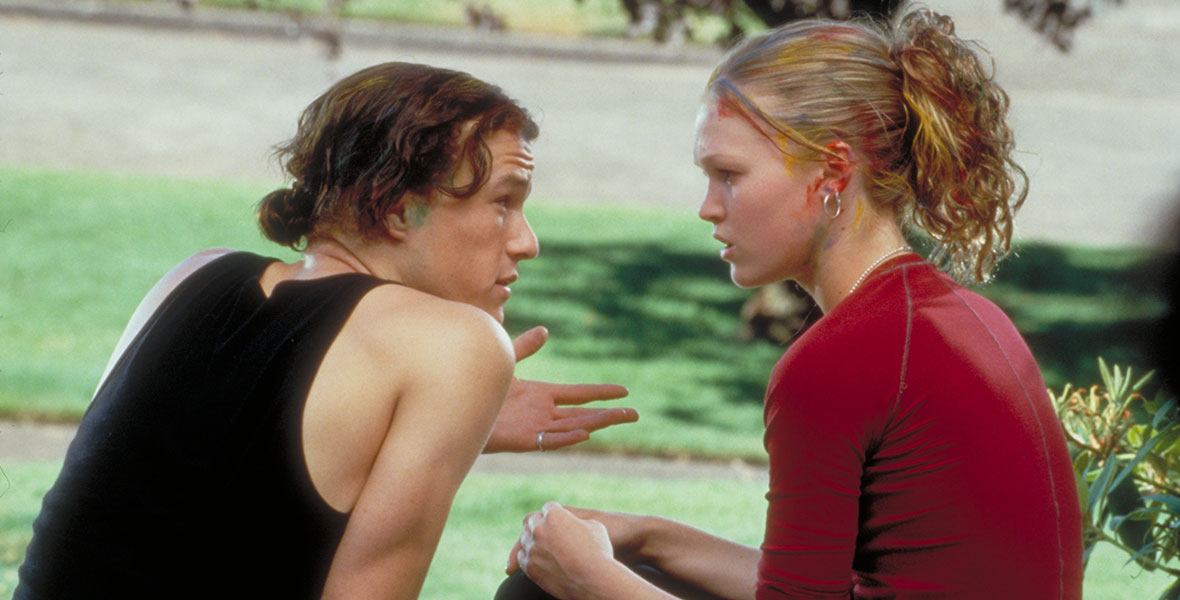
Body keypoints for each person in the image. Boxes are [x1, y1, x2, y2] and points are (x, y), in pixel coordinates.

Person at [502, 9, 1083, 599]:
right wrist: (652, 538)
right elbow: (813, 586)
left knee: (537, 593)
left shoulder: (839, 361)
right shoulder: (965, 317)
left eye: (729, 174)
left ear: (832, 171)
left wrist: (588, 577)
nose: (708, 206)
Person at [15, 62, 636, 599]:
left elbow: (149, 508)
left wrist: (430, 429)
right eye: (503, 201)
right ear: (397, 209)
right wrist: (451, 397)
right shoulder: (457, 345)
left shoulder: (193, 276)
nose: (527, 242)